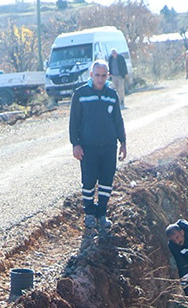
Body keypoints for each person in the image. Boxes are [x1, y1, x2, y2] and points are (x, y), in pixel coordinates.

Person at [69, 59, 127, 239]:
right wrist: (75, 143)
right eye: (97, 75)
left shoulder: (112, 94)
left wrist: (123, 141)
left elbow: (118, 120)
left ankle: (102, 214)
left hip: (109, 146)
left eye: (104, 76)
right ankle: (89, 214)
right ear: (91, 75)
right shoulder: (80, 94)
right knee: (88, 181)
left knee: (106, 181)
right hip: (88, 146)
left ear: (108, 76)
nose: (100, 79)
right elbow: (74, 122)